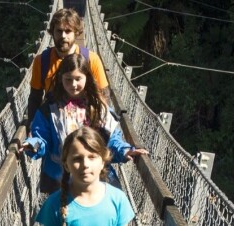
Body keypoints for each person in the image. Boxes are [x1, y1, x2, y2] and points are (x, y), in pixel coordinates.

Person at [21, 53, 148, 194]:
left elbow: (110, 140)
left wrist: (124, 150)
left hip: (96, 177)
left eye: (78, 79)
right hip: (62, 180)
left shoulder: (99, 108)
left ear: (87, 78)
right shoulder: (49, 110)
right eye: (68, 80)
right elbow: (42, 137)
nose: (73, 85)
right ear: (60, 79)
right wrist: (33, 144)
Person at [35, 127, 135, 226]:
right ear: (66, 165)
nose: (85, 164)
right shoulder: (53, 205)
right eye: (77, 159)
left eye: (92, 157)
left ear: (103, 162)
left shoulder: (118, 199)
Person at [27, 8, 110, 122]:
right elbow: (35, 98)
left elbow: (103, 95)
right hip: (54, 121)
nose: (63, 36)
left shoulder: (91, 60)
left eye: (68, 31)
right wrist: (31, 124)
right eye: (59, 31)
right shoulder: (42, 61)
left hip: (85, 120)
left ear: (76, 33)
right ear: (52, 32)